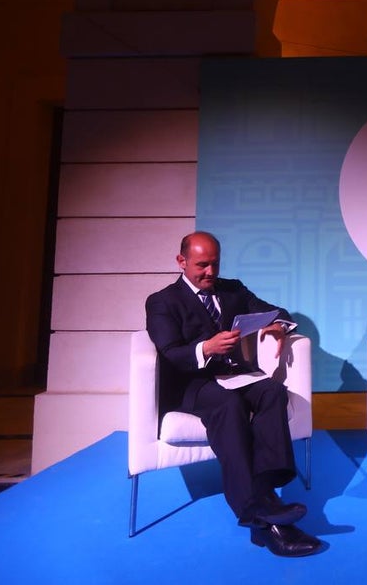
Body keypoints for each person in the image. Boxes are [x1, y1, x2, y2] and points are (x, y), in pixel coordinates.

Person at [144, 231, 323, 556]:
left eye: (215, 264)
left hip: (234, 376)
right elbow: (170, 352)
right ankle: (255, 509)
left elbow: (277, 311)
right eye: (202, 265)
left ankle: (267, 489)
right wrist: (206, 347)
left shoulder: (233, 290)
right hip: (192, 384)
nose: (210, 272)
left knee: (272, 391)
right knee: (227, 405)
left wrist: (278, 326)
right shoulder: (162, 301)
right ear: (181, 261)